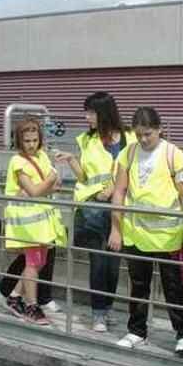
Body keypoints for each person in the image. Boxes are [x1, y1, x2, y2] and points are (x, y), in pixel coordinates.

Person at [108, 107, 183, 358]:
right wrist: (116, 227)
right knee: (138, 284)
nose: (144, 139)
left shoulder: (173, 154)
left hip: (167, 234)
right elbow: (119, 191)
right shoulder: (129, 153)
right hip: (136, 232)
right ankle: (136, 330)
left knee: (173, 287)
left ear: (159, 129)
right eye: (139, 135)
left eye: (148, 134)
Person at [55, 92, 136, 331]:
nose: (87, 117)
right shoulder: (87, 140)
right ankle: (98, 311)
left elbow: (135, 171)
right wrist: (71, 160)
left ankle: (108, 308)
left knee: (113, 262)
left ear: (104, 112)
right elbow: (85, 177)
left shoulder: (130, 138)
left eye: (90, 112)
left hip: (120, 206)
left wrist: (114, 188)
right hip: (96, 209)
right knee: (99, 260)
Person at [0, 118, 65, 325]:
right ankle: (33, 306)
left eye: (34, 140)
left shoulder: (42, 156)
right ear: (19, 141)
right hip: (26, 223)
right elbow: (36, 190)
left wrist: (45, 186)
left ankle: (15, 296)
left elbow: (54, 186)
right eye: (26, 141)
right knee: (33, 262)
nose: (31, 144)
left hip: (41, 221)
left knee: (41, 261)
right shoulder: (17, 162)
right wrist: (49, 180)